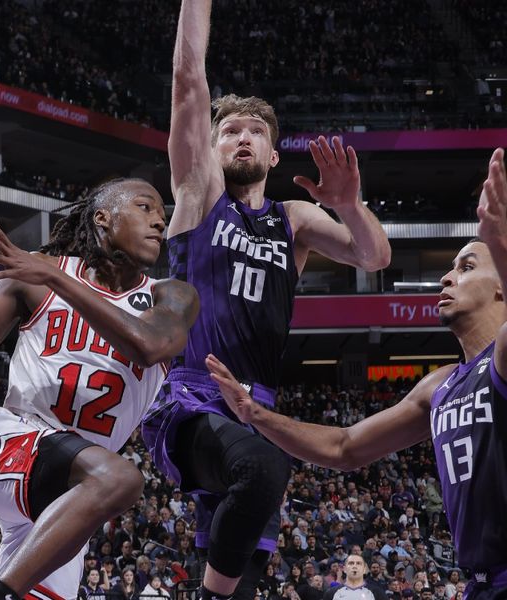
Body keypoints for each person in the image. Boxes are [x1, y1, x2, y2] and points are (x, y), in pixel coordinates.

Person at [141, 2, 390, 600]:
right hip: (190, 397)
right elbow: (187, 82)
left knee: (243, 569)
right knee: (260, 469)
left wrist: (350, 204)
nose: (242, 137)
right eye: (229, 130)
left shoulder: (295, 219)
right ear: (212, 146)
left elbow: (374, 257)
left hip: (258, 408)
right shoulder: (198, 195)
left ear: (274, 155)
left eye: (255, 131)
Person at [208, 149, 507, 600]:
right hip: (480, 585)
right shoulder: (440, 386)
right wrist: (256, 415)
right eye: (449, 268)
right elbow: (345, 448)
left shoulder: (501, 359)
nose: (447, 278)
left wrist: (498, 239)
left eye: (466, 267)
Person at [0, 178, 199, 600]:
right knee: (122, 480)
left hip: (70, 493)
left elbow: (150, 346)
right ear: (102, 218)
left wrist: (54, 277)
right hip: (14, 440)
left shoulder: (172, 296)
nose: (160, 220)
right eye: (145, 207)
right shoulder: (37, 276)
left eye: (162, 212)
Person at [323, 555, 387, 600]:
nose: (354, 566)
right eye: (351, 563)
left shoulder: (377, 592)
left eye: (358, 563)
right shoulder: (331, 593)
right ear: (344, 569)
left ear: (364, 569)